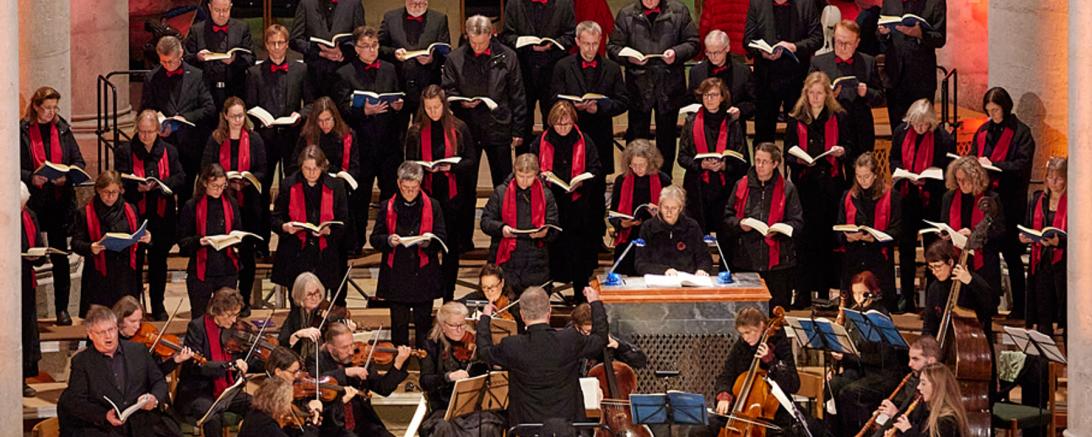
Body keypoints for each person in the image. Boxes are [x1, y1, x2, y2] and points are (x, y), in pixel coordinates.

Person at [477, 286, 608, 427]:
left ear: (522, 315)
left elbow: (484, 352)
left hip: (526, 430)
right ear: (549, 311)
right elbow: (600, 339)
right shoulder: (569, 339)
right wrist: (595, 303)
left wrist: (485, 319)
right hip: (569, 428)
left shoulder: (512, 345)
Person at [785, 71, 855, 308]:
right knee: (804, 242)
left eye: (819, 93)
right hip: (805, 187)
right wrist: (799, 160)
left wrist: (842, 152)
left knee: (827, 240)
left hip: (830, 187)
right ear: (806, 94)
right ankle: (803, 293)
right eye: (811, 93)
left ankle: (824, 293)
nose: (815, 98)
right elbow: (788, 152)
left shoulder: (839, 117)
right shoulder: (796, 119)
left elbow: (850, 147)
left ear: (827, 95)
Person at [19, 86, 85, 325]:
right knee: (30, 256)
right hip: (33, 204)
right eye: (46, 108)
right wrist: (30, 177)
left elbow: (78, 160)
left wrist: (65, 176)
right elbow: (11, 162)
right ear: (36, 107)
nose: (50, 112)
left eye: (54, 107)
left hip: (59, 203)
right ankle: (27, 309)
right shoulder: (23, 131)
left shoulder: (63, 129)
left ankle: (62, 309)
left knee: (60, 258)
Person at [404, 85, 477, 301]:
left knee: (450, 249)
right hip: (425, 197)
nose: (433, 112)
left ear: (444, 105)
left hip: (453, 198)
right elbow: (408, 165)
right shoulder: (416, 131)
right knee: (425, 247)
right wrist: (422, 168)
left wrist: (451, 167)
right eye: (428, 108)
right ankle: (426, 292)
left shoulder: (459, 128)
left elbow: (471, 161)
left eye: (436, 107)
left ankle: (448, 295)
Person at [607, 0, 700, 167]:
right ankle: (635, 178)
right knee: (636, 137)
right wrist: (628, 57)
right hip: (638, 87)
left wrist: (676, 53)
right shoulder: (626, 14)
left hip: (669, 86)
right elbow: (613, 47)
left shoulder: (679, 11)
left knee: (667, 138)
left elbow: (693, 42)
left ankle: (664, 181)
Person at [246, 24, 314, 250]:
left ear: (287, 44)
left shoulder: (300, 70)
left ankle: (291, 240)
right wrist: (260, 118)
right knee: (261, 191)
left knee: (292, 189)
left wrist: (299, 115)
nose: (277, 48)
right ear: (266, 45)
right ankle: (261, 242)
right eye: (272, 43)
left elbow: (310, 103)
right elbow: (250, 105)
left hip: (292, 137)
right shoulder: (254, 73)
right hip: (264, 139)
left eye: (281, 43)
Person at [115, 110, 186, 321]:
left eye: (150, 131)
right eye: (142, 131)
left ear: (158, 131)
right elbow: (118, 178)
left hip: (161, 216)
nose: (145, 136)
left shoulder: (169, 151)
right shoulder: (125, 151)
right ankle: (133, 308)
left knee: (158, 262)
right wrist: (136, 186)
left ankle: (158, 304)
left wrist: (160, 186)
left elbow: (180, 177)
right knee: (134, 263)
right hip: (134, 214)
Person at [57, 306, 171, 436]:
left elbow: (159, 381)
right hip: (104, 430)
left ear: (117, 328)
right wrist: (104, 415)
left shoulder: (138, 351)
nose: (108, 336)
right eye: (101, 332)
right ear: (90, 335)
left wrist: (154, 398)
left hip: (142, 426)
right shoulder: (82, 361)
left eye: (111, 330)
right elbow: (76, 402)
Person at [442, 15, 527, 188]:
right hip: (467, 127)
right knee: (465, 184)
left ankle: (501, 216)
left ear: (491, 34)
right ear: (467, 36)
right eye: (473, 42)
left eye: (481, 43)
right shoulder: (455, 58)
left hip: (498, 126)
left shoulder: (508, 57)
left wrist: (518, 129)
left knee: (502, 183)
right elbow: (448, 88)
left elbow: (517, 94)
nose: (477, 47)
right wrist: (461, 102)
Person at [972, 87, 1035, 321]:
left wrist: (996, 165)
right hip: (986, 204)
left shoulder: (1021, 133)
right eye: (988, 111)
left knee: (1011, 255)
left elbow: (1022, 165)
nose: (992, 115)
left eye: (996, 110)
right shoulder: (983, 131)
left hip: (1010, 204)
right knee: (987, 256)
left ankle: (1020, 307)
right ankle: (991, 303)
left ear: (1005, 107)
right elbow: (974, 156)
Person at [529, 101, 603, 300]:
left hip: (577, 206)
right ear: (551, 122)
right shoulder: (541, 142)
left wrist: (581, 182)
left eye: (567, 124)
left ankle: (580, 298)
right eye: (559, 124)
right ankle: (546, 299)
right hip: (549, 206)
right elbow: (531, 167)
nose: (563, 128)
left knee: (578, 254)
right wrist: (542, 177)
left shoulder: (584, 140)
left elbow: (596, 168)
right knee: (551, 255)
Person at [201, 97, 268, 316]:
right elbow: (207, 168)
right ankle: (223, 303)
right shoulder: (216, 139)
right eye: (234, 116)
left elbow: (262, 169)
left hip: (249, 203)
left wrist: (247, 180)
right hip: (222, 202)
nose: (238, 120)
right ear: (225, 116)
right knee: (225, 251)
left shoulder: (255, 139)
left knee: (247, 253)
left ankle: (245, 300)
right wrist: (225, 181)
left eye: (241, 115)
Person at [370, 162, 447, 347]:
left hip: (423, 274)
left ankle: (425, 366)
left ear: (420, 185)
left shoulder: (433, 205)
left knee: (423, 328)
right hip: (397, 274)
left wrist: (428, 242)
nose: (410, 192)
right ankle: (400, 367)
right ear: (398, 183)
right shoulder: (387, 206)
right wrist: (388, 240)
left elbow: (442, 237)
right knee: (399, 326)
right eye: (405, 188)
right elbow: (374, 238)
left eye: (414, 188)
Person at [888, 99, 953, 312]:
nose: (921, 128)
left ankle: (934, 299)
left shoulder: (942, 137)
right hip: (907, 198)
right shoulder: (901, 131)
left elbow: (947, 168)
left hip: (931, 200)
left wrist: (929, 176)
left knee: (932, 250)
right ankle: (907, 297)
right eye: (917, 125)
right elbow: (894, 158)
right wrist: (904, 173)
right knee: (906, 249)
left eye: (925, 125)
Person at [723, 142, 804, 310]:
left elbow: (797, 222)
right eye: (757, 160)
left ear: (775, 164)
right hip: (746, 260)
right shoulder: (741, 185)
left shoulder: (788, 189)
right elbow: (727, 217)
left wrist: (780, 230)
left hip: (778, 263)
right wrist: (740, 224)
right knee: (747, 313)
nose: (759, 165)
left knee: (776, 314)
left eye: (764, 162)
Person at [826, 271, 908, 435]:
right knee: (833, 384)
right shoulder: (853, 312)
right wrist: (838, 360)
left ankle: (857, 432)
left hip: (883, 374)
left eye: (861, 293)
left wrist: (847, 356)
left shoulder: (879, 315)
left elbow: (881, 357)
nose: (857, 298)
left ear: (871, 291)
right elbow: (851, 347)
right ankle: (835, 432)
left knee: (849, 392)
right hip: (863, 369)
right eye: (854, 293)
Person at [140, 35, 217, 207]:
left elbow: (209, 108)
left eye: (171, 61)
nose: (167, 66)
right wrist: (158, 124)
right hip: (164, 145)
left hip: (191, 143)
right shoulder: (153, 78)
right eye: (163, 62)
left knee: (187, 194)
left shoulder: (197, 75)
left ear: (181, 53)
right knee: (163, 194)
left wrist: (186, 118)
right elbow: (146, 109)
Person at [335, 25, 406, 202]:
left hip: (388, 144)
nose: (372, 50)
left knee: (390, 196)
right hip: (361, 145)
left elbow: (397, 95)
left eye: (375, 45)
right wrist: (363, 111)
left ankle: (387, 230)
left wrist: (398, 106)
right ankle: (359, 231)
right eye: (366, 46)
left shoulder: (390, 69)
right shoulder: (344, 73)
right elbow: (341, 109)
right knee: (360, 197)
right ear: (356, 49)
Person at [272, 146, 351, 302]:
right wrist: (285, 227)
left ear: (322, 167)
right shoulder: (289, 184)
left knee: (320, 300)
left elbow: (344, 221)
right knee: (297, 299)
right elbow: (275, 218)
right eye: (306, 168)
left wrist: (330, 231)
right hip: (296, 251)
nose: (311, 172)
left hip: (324, 253)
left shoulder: (335, 186)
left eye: (315, 168)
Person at [550, 20, 629, 173]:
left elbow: (623, 101)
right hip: (570, 132)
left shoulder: (612, 68)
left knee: (598, 183)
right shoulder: (563, 66)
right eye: (586, 43)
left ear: (600, 40)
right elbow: (553, 99)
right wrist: (572, 107)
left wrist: (598, 107)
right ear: (577, 41)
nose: (591, 49)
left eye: (594, 44)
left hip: (600, 133)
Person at [289, 97, 364, 255]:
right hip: (312, 189)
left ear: (335, 117)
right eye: (320, 120)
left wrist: (343, 176)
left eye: (328, 119)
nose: (324, 124)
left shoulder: (348, 135)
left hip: (339, 191)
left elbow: (355, 167)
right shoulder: (307, 136)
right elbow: (294, 165)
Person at [176, 288, 254, 437]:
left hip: (226, 390)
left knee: (258, 406)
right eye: (230, 315)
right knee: (213, 418)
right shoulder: (197, 327)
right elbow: (195, 367)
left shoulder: (232, 329)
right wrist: (228, 366)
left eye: (236, 315)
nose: (233, 320)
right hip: (199, 391)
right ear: (217, 311)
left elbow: (241, 356)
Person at [677, 77, 749, 238]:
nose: (710, 99)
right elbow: (682, 157)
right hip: (697, 185)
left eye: (714, 95)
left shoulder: (732, 123)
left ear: (723, 97)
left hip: (725, 187)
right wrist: (701, 165)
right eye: (706, 95)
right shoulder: (691, 121)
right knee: (697, 234)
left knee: (725, 233)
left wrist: (724, 166)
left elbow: (742, 160)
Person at [71, 171, 150, 317]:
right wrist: (90, 247)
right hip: (99, 276)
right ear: (98, 190)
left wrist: (146, 238)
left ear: (121, 190)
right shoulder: (85, 213)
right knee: (100, 320)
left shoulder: (130, 210)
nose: (110, 196)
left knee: (125, 319)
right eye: (106, 192)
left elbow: (138, 235)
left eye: (114, 192)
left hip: (125, 274)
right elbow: (76, 243)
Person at [743, 0, 823, 144]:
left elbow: (817, 38)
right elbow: (748, 39)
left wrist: (794, 47)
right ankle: (764, 165)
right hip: (766, 79)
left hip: (797, 78)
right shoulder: (757, 4)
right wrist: (762, 52)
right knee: (763, 134)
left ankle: (795, 165)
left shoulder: (806, 4)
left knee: (798, 134)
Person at [500, 0, 575, 151]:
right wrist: (524, 43)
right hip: (523, 69)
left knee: (554, 119)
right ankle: (525, 169)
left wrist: (553, 44)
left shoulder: (564, 3)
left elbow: (571, 35)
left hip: (553, 71)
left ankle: (553, 164)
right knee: (523, 123)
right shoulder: (514, 4)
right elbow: (507, 36)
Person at [418, 302, 503, 437]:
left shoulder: (476, 342)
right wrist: (448, 377)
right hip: (445, 409)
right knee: (443, 428)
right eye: (454, 325)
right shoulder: (431, 345)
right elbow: (425, 381)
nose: (459, 330)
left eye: (462, 325)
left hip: (476, 408)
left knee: (488, 426)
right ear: (443, 326)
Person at [480, 153, 560, 294]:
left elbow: (554, 226)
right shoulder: (501, 193)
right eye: (520, 176)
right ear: (514, 172)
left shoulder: (546, 195)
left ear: (536, 174)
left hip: (536, 259)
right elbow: (486, 221)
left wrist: (545, 233)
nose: (524, 181)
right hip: (507, 258)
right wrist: (501, 228)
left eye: (529, 177)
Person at [712, 306, 799, 434]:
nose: (745, 338)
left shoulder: (779, 342)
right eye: (742, 333)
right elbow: (726, 374)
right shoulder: (742, 345)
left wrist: (771, 361)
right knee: (700, 430)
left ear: (762, 326)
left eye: (748, 332)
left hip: (771, 415)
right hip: (740, 411)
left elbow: (794, 384)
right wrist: (724, 395)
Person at [317, 322, 412, 437]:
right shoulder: (316, 360)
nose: (351, 351)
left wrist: (398, 364)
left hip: (361, 422)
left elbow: (383, 388)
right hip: (333, 424)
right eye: (344, 348)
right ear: (331, 348)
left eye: (351, 345)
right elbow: (317, 381)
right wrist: (346, 372)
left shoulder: (359, 358)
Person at [178, 164, 244, 318]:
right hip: (202, 271)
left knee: (227, 315)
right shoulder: (191, 206)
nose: (219, 190)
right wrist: (200, 241)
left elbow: (237, 230)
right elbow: (183, 242)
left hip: (226, 268)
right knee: (201, 316)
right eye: (214, 186)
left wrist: (235, 239)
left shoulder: (231, 203)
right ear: (205, 183)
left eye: (222, 186)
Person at [939, 157, 1005, 309]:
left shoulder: (991, 199)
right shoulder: (949, 198)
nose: (961, 184)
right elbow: (944, 223)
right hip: (957, 259)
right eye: (958, 180)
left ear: (975, 178)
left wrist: (975, 233)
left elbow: (1000, 231)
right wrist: (947, 234)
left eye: (965, 180)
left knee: (983, 309)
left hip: (983, 262)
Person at [837, 153, 901, 309]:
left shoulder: (891, 195)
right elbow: (838, 228)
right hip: (854, 259)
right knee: (852, 309)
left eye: (866, 176)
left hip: (879, 260)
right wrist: (847, 237)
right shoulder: (848, 196)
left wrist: (875, 238)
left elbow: (897, 231)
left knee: (878, 310)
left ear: (875, 175)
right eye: (859, 176)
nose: (862, 181)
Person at [809, 20, 883, 152]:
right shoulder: (819, 62)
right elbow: (807, 96)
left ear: (857, 43)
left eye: (847, 43)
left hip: (859, 129)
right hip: (829, 125)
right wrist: (827, 96)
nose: (842, 47)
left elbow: (880, 97)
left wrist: (866, 92)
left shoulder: (868, 62)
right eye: (838, 42)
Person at [378, 0, 451, 129]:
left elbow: (446, 52)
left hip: (427, 87)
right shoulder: (390, 17)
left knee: (429, 132)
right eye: (413, 2)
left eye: (421, 3)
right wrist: (393, 53)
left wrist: (432, 60)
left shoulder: (439, 19)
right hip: (398, 86)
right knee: (396, 134)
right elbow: (379, 47)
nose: (417, 6)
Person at [878, 0, 947, 127]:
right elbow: (881, 35)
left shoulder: (935, 2)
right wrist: (884, 33)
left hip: (921, 78)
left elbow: (940, 38)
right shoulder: (889, 2)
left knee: (922, 126)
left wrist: (920, 34)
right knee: (897, 128)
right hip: (895, 76)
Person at [1021, 157, 1067, 335]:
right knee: (1042, 317)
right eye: (1050, 177)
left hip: (1062, 266)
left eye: (1058, 178)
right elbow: (1028, 224)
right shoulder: (1038, 199)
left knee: (1065, 318)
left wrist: (1059, 242)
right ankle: (1041, 361)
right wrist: (1024, 237)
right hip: (1041, 263)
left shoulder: (1075, 201)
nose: (1053, 181)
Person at [608, 140, 669, 275]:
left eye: (642, 165)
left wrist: (659, 214)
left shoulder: (663, 179)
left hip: (655, 236)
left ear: (650, 162)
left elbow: (673, 213)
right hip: (629, 236)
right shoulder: (621, 180)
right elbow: (613, 213)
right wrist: (622, 223)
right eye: (634, 165)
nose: (638, 169)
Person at [183, 0, 255, 108]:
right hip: (205, 92)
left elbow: (251, 58)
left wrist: (234, 60)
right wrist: (198, 58)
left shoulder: (241, 28)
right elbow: (186, 60)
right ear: (209, 7)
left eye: (225, 10)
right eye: (217, 10)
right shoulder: (197, 30)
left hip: (235, 91)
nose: (221, 14)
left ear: (231, 6)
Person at [290, 0, 365, 98]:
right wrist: (319, 52)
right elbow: (295, 40)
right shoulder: (306, 3)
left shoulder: (354, 3)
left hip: (343, 73)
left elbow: (360, 38)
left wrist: (343, 52)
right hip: (314, 74)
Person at [686, 30, 756, 136]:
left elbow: (753, 102)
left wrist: (740, 111)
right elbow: (690, 100)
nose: (713, 56)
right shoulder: (697, 72)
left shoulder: (743, 71)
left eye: (717, 52)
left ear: (727, 48)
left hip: (733, 130)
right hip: (703, 129)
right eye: (709, 52)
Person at [633, 185, 713, 276]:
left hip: (687, 282)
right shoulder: (648, 227)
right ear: (659, 206)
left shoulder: (692, 227)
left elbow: (704, 258)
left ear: (680, 208)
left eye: (673, 208)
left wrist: (702, 269)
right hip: (658, 281)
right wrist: (664, 271)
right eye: (666, 207)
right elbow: (640, 264)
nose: (669, 212)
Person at [921, 240, 993, 339]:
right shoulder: (934, 288)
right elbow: (929, 324)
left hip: (974, 343)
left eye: (938, 267)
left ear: (950, 262)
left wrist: (970, 281)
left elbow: (991, 303)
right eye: (931, 267)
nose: (934, 272)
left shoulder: (968, 279)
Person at [113, 295, 196, 374]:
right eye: (133, 321)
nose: (138, 326)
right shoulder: (111, 341)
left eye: (140, 321)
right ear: (120, 319)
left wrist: (176, 360)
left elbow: (157, 374)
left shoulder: (146, 343)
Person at [885, 363, 970, 437]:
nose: (918, 387)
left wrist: (908, 431)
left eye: (923, 383)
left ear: (937, 387)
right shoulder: (927, 410)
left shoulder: (947, 420)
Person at [570, 302, 648, 373]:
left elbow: (640, 361)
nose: (587, 335)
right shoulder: (570, 334)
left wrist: (618, 345)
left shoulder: (610, 333)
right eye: (584, 331)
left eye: (590, 331)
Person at [20, 183, 45, 397]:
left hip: (26, 280)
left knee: (26, 330)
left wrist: (38, 255)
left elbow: (37, 242)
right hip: (7, 281)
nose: (22, 209)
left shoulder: (30, 215)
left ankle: (23, 379)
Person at [279, 272, 330, 362]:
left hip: (322, 363)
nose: (314, 298)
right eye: (309, 294)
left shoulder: (325, 311)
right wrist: (299, 334)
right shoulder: (295, 314)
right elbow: (283, 344)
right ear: (300, 296)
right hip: (299, 363)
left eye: (317, 292)